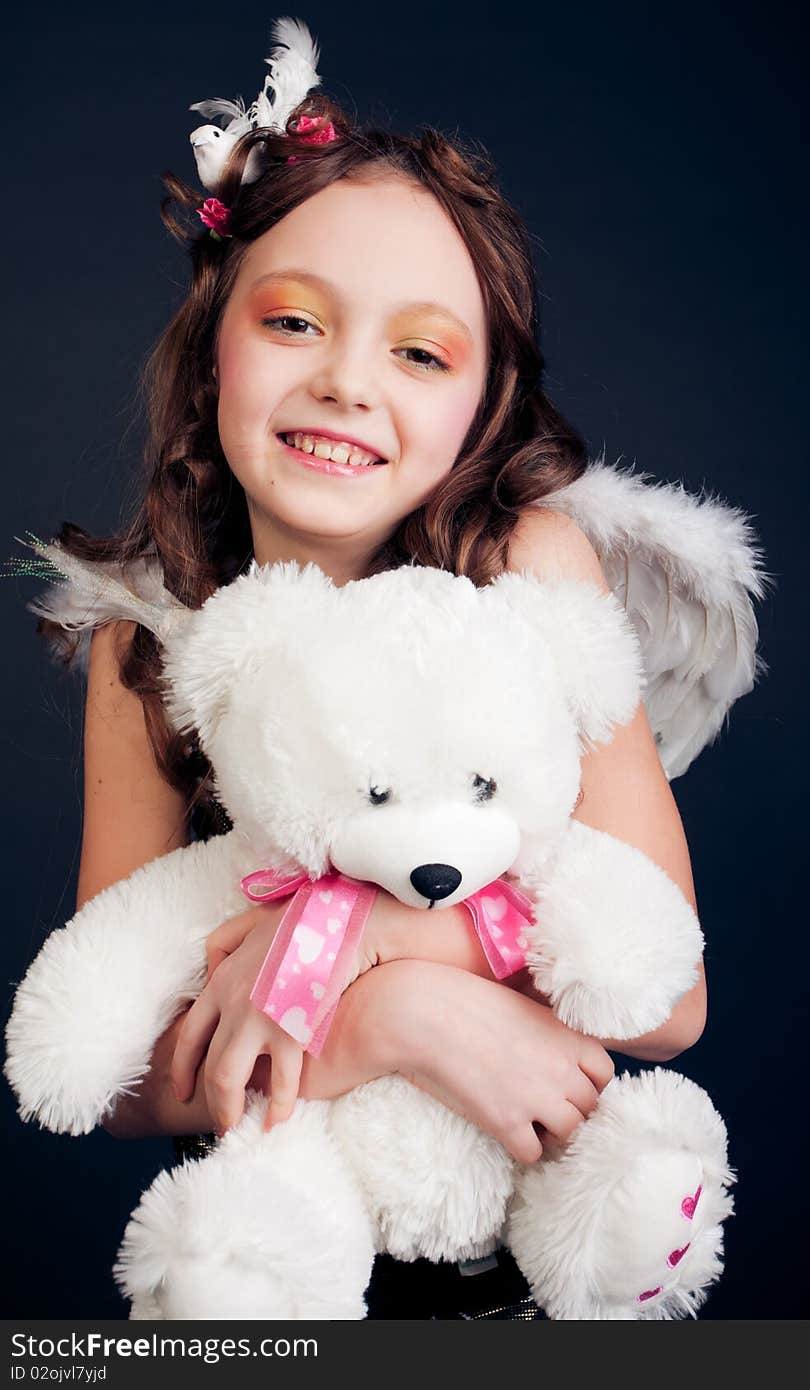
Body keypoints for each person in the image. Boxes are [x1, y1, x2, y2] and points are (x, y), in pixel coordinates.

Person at [35, 89, 706, 1319]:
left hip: (523, 1277)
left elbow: (665, 998)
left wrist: (372, 947)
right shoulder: (151, 646)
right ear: (213, 345)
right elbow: (124, 1081)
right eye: (294, 321)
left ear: (483, 403)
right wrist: (392, 1023)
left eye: (418, 350)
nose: (346, 382)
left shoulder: (526, 572)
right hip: (279, 1281)